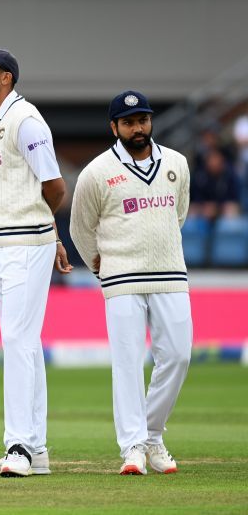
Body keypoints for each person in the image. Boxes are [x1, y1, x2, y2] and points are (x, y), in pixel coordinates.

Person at [70, 90, 192, 475]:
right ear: (114, 127)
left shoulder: (176, 163)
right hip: (121, 277)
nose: (138, 128)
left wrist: (160, 248)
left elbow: (179, 213)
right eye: (129, 122)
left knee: (178, 355)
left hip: (170, 273)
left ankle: (151, 434)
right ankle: (133, 447)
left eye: (143, 120)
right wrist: (101, 264)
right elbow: (79, 228)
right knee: (127, 363)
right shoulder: (97, 172)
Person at [0, 48, 71, 478]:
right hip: (3, 245)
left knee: (18, 341)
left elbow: (55, 186)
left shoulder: (25, 120)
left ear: (7, 78)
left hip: (26, 243)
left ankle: (18, 447)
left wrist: (44, 231)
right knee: (23, 343)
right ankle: (37, 448)